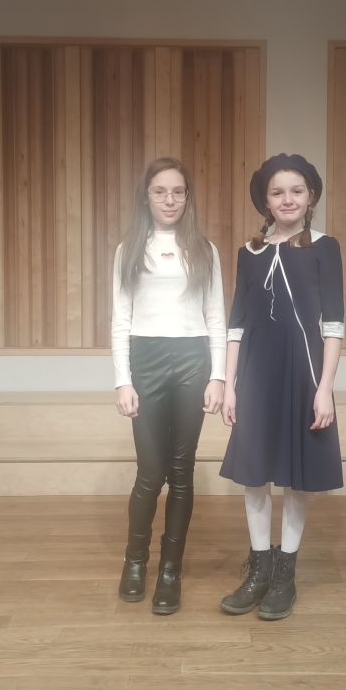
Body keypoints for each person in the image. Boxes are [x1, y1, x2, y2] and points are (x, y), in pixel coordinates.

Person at [219, 153, 344, 620]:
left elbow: (333, 325)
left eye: (296, 190)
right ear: (266, 201)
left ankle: (285, 575)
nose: (287, 199)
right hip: (256, 375)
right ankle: (259, 570)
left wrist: (324, 388)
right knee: (254, 476)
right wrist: (230, 385)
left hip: (303, 374)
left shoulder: (325, 247)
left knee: (295, 478)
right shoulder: (248, 253)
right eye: (277, 192)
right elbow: (236, 324)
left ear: (310, 197)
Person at [111, 157, 226, 615]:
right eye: (160, 191)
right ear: (147, 197)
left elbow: (216, 316)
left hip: (193, 361)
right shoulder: (128, 250)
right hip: (147, 361)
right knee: (150, 471)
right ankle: (135, 561)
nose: (170, 199)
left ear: (187, 197)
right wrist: (123, 381)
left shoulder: (204, 250)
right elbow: (120, 320)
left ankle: (170, 570)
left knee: (181, 471)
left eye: (178, 191)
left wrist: (218, 376)